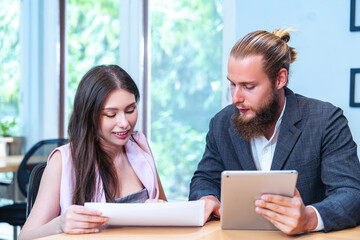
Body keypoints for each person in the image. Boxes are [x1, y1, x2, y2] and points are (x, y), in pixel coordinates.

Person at [189, 29, 360, 235]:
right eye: (232, 84)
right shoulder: (221, 123)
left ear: (280, 79)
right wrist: (207, 197)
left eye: (248, 86)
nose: (236, 98)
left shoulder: (326, 120)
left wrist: (310, 217)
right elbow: (204, 179)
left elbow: (351, 195)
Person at [19, 65, 166, 240]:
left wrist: (159, 210)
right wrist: (60, 224)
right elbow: (25, 238)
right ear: (89, 115)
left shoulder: (139, 145)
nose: (124, 123)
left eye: (130, 110)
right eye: (111, 114)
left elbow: (164, 208)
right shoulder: (63, 161)